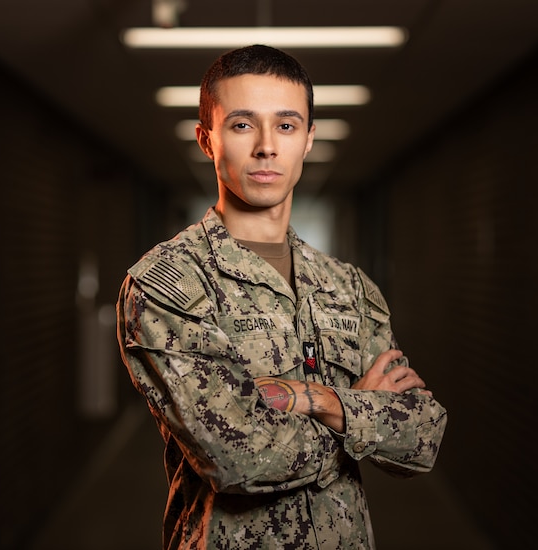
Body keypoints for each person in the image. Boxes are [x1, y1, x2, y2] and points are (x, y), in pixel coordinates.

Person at [116, 44, 447, 550]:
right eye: (243, 124)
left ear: (309, 139)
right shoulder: (168, 286)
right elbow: (236, 458)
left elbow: (422, 437)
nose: (267, 146)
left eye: (287, 125)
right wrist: (361, 410)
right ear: (208, 140)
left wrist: (315, 399)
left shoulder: (348, 287)